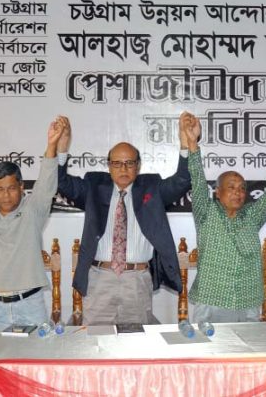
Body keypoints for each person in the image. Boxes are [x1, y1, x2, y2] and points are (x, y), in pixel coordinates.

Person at [57, 115, 191, 325]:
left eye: (129, 163)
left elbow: (182, 181)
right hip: (100, 279)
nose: (123, 169)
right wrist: (62, 150)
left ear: (138, 166)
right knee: (97, 342)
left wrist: (186, 145)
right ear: (109, 166)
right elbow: (61, 182)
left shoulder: (152, 188)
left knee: (136, 343)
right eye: (117, 164)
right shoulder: (93, 187)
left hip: (136, 280)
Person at [185, 113, 266, 323]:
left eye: (242, 188)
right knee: (209, 352)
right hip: (211, 300)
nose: (238, 192)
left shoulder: (252, 215)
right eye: (231, 188)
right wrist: (193, 146)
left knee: (246, 354)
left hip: (248, 301)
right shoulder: (206, 213)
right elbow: (197, 181)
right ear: (217, 192)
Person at [0, 117, 65, 328]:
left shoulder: (33, 210)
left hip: (30, 305)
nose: (6, 195)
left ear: (21, 187)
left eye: (12, 188)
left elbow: (46, 183)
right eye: (0, 189)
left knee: (33, 360)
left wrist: (51, 146)